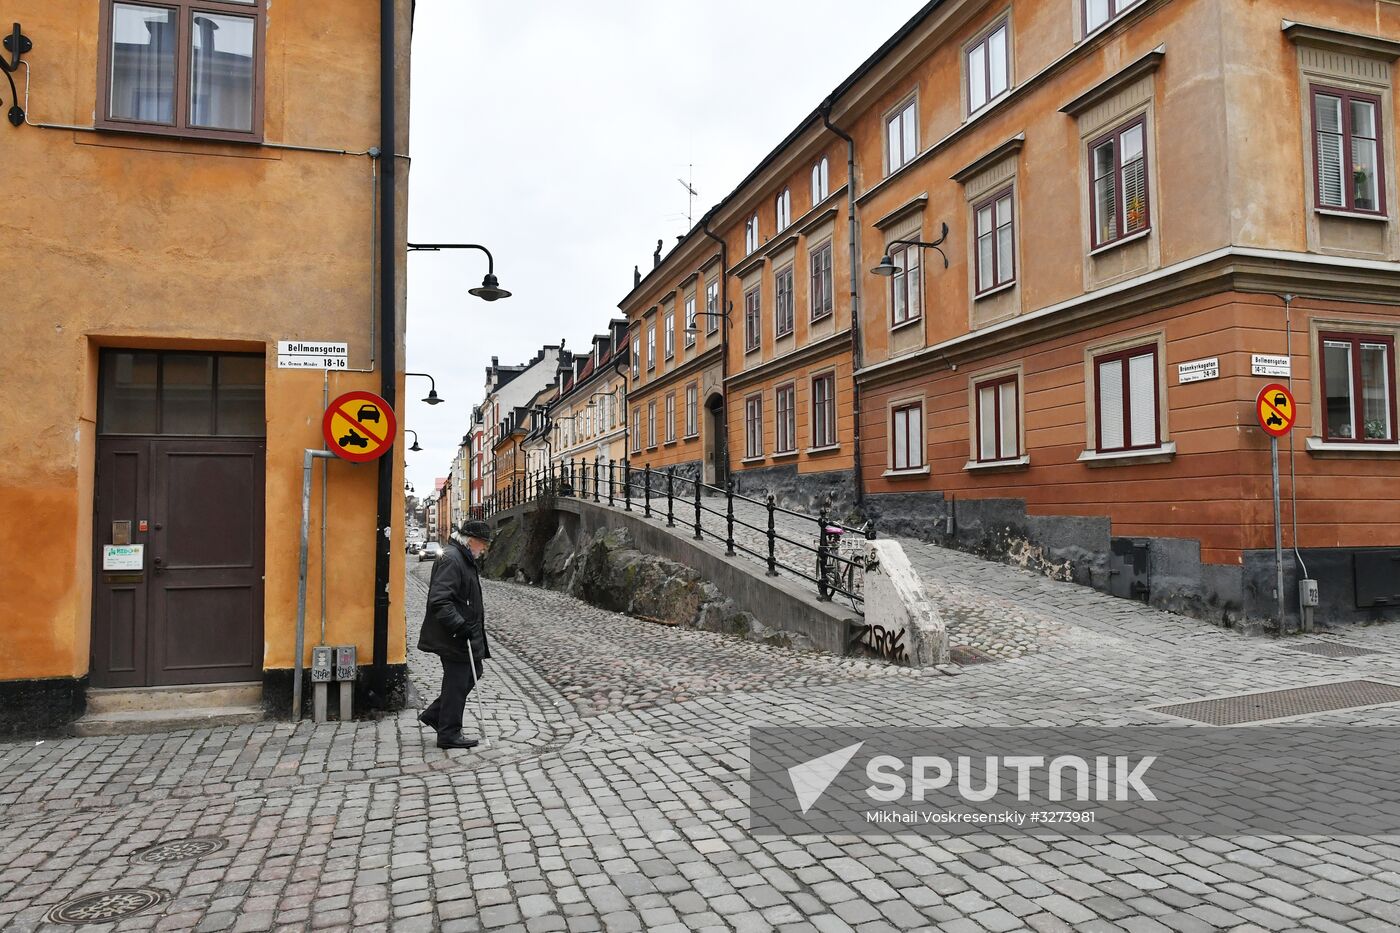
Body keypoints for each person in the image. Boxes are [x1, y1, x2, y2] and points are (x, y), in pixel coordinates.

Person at [417, 519, 492, 749]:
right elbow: (440, 601)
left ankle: (435, 715)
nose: (484, 549)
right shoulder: (452, 559)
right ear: (471, 541)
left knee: (472, 672)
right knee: (458, 680)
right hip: (452, 634)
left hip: (459, 633)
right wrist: (459, 625)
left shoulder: (462, 557)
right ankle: (448, 733)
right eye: (483, 544)